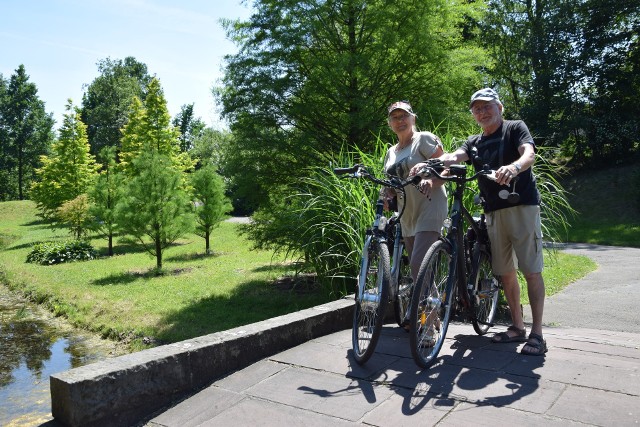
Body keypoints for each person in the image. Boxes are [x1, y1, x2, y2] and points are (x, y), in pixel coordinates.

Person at [412, 88, 547, 356]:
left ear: (500, 107)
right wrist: (432, 163)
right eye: (477, 109)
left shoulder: (514, 128)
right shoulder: (473, 142)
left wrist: (515, 167)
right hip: (492, 212)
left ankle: (538, 335)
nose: (482, 112)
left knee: (531, 270)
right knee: (505, 272)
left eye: (487, 106)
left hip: (521, 205)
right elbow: (454, 157)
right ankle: (517, 328)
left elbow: (528, 153)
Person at [382, 101, 448, 315]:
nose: (400, 121)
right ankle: (432, 311)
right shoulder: (391, 151)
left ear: (413, 118)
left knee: (420, 262)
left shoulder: (423, 139)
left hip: (430, 206)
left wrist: (433, 181)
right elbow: (393, 183)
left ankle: (427, 326)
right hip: (406, 213)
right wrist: (387, 194)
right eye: (395, 117)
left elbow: (446, 167)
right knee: (418, 267)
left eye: (404, 116)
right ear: (389, 123)